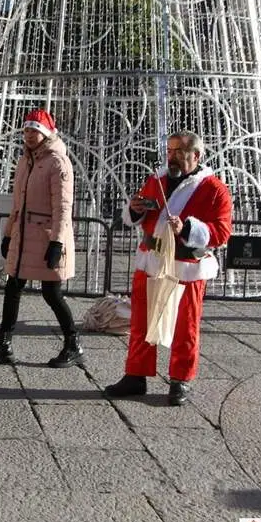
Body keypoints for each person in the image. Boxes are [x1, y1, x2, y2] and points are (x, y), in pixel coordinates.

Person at [104, 131, 232, 406]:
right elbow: (139, 215)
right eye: (169, 150)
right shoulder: (157, 180)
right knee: (141, 323)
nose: (171, 156)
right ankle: (135, 375)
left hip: (186, 267)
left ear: (195, 156)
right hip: (151, 260)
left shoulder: (214, 189)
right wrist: (135, 209)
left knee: (185, 327)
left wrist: (187, 227)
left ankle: (180, 380)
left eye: (178, 151)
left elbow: (221, 232)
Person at [0, 109, 83, 368]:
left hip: (47, 235)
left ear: (46, 133)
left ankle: (73, 343)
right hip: (23, 234)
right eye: (26, 130)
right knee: (12, 287)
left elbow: (63, 207)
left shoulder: (58, 163)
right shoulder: (25, 160)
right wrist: (7, 234)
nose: (28, 135)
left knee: (52, 293)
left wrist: (57, 243)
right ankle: (4, 345)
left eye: (34, 130)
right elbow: (17, 204)